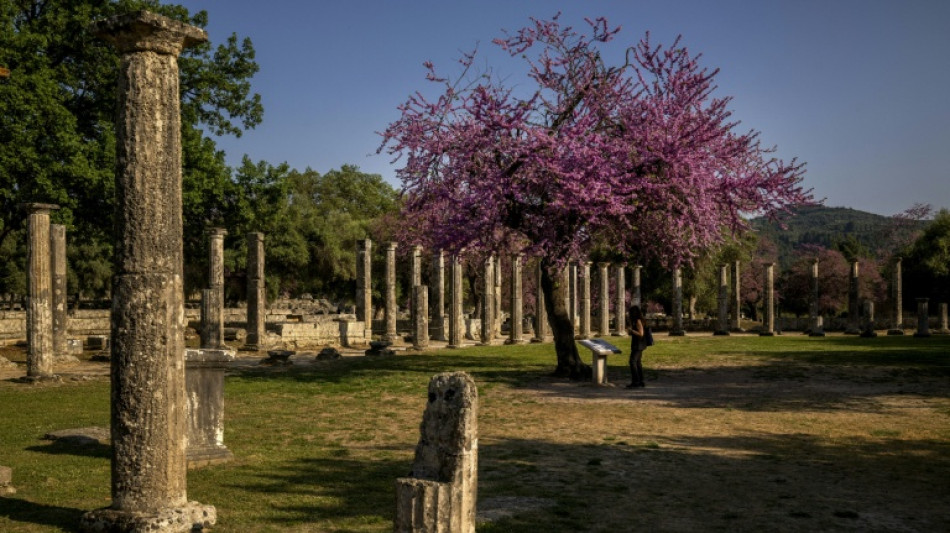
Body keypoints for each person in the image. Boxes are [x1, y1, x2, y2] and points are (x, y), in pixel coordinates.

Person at [626, 305, 646, 388]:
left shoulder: (638, 321)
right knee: (638, 363)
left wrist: (632, 331)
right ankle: (640, 381)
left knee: (632, 362)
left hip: (638, 345)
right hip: (638, 344)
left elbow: (641, 334)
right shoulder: (637, 320)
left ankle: (636, 381)